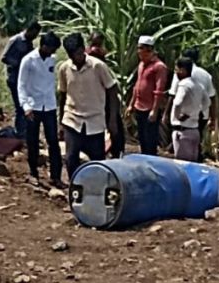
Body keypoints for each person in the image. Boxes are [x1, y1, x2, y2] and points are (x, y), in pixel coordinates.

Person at [57, 33, 123, 180]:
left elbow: (112, 90)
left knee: (97, 161)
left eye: (80, 53)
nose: (78, 57)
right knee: (71, 159)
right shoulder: (64, 69)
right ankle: (75, 188)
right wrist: (60, 122)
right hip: (72, 120)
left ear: (84, 49)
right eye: (74, 55)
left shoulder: (98, 66)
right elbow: (62, 95)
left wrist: (112, 120)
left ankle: (96, 190)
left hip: (95, 122)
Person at [17, 31, 63, 188]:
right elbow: (21, 85)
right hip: (33, 106)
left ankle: (56, 176)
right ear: (44, 46)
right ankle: (33, 173)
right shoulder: (28, 60)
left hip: (49, 106)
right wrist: (26, 106)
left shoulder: (52, 60)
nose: (53, 52)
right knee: (33, 141)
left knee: (53, 142)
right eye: (51, 48)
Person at [168, 47, 218, 160]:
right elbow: (211, 98)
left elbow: (174, 97)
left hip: (183, 121)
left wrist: (173, 115)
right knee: (195, 145)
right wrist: (211, 117)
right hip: (200, 116)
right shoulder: (205, 75)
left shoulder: (182, 76)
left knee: (182, 150)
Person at [126, 35, 168, 156]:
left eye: (141, 49)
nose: (138, 52)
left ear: (148, 50)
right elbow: (137, 85)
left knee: (150, 140)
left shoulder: (159, 67)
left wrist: (154, 111)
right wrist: (131, 104)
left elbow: (159, 90)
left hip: (149, 108)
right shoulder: (141, 64)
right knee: (142, 139)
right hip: (139, 106)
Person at [1, 21, 41, 137]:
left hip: (25, 79)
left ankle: (23, 131)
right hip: (14, 78)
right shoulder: (15, 40)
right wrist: (20, 64)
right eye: (35, 33)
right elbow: (4, 58)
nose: (35, 36)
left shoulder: (29, 43)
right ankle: (19, 132)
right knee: (20, 106)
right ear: (29, 30)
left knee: (26, 105)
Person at [168, 57, 206, 162]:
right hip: (195, 130)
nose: (176, 73)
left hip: (182, 131)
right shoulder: (199, 85)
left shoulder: (184, 85)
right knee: (193, 163)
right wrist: (193, 113)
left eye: (176, 70)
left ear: (183, 70)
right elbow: (207, 102)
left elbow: (177, 103)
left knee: (182, 164)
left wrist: (177, 116)